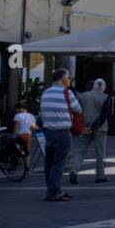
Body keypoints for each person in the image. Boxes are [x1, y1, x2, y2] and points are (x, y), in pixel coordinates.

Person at [39, 68, 80, 202]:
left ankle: (52, 189)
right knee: (59, 163)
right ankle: (54, 192)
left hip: (49, 132)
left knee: (49, 163)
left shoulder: (46, 93)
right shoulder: (66, 93)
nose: (69, 80)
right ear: (62, 79)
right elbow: (78, 109)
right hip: (62, 133)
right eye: (68, 78)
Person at [68, 78, 111, 184]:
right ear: (103, 87)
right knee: (99, 153)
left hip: (84, 127)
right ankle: (99, 175)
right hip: (100, 128)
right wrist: (94, 126)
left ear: (94, 86)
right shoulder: (106, 97)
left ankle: (74, 170)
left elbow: (77, 112)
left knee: (80, 151)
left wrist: (83, 126)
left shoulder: (83, 96)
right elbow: (104, 115)